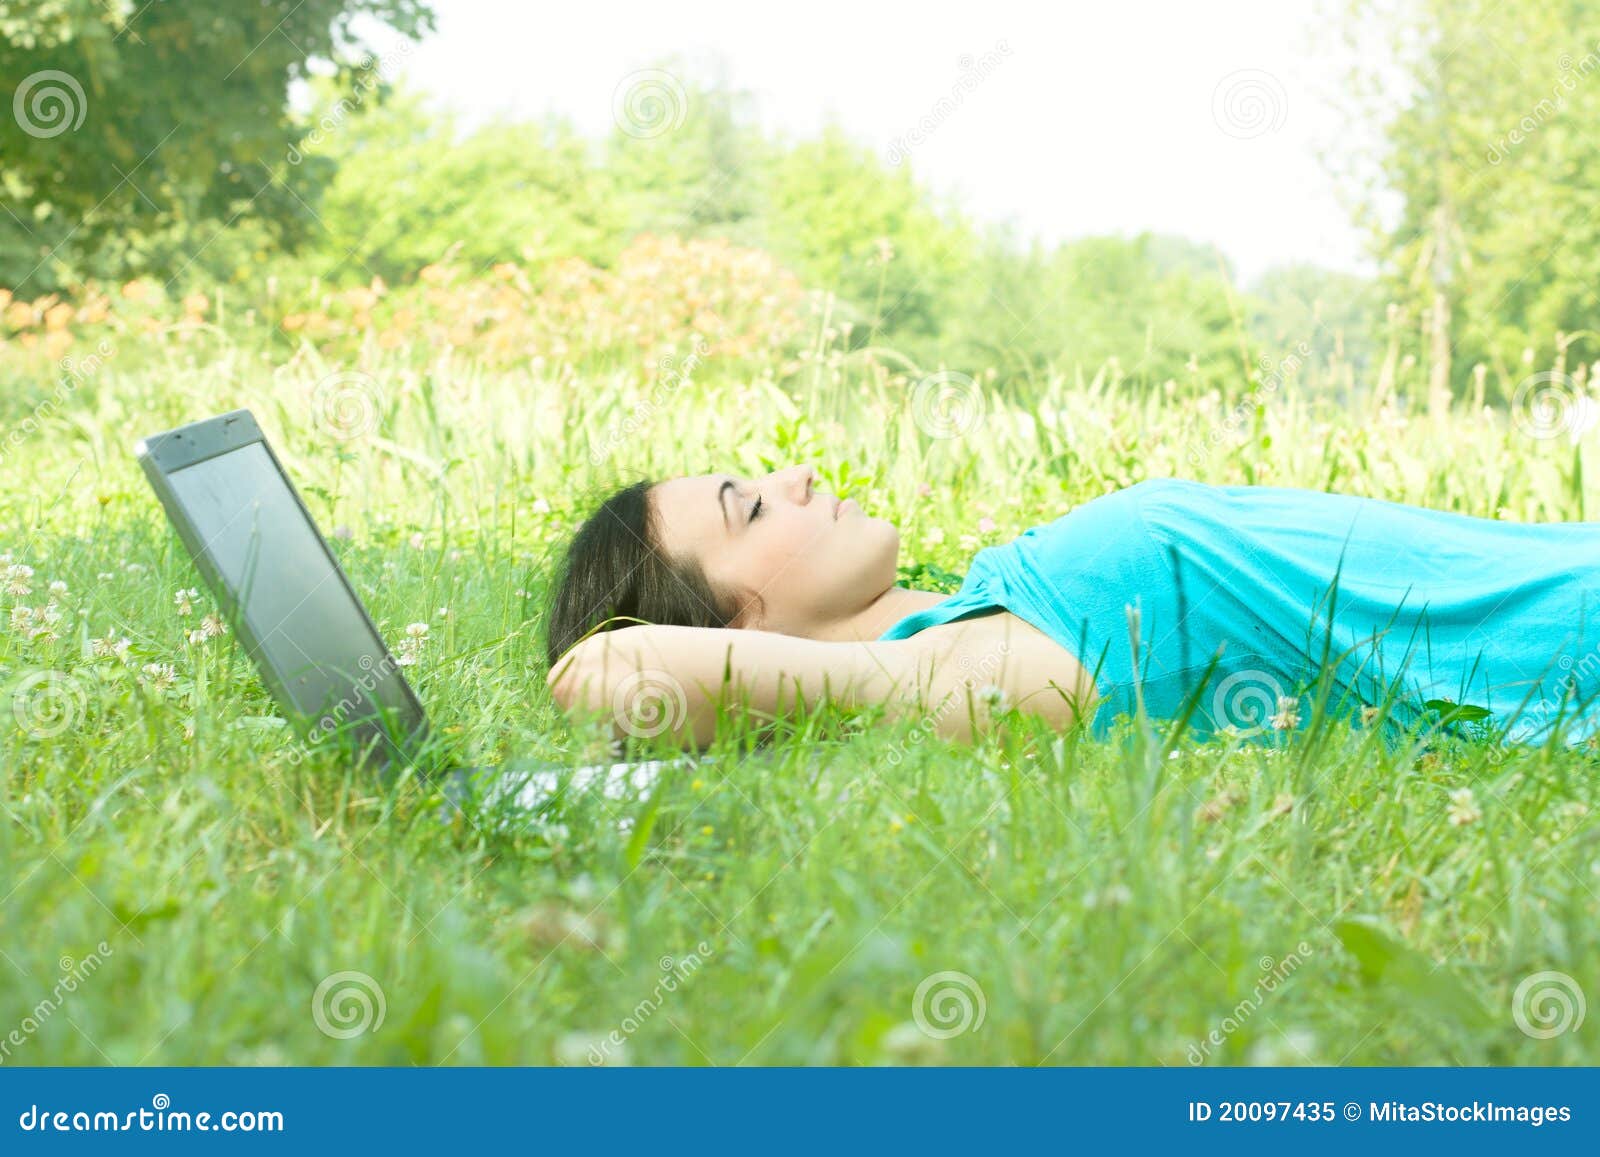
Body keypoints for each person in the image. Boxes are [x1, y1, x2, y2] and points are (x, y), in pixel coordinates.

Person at [543, 466, 1600, 751]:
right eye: (750, 505)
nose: (798, 473)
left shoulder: (983, 607)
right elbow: (605, 675)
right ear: (731, 627)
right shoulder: (953, 673)